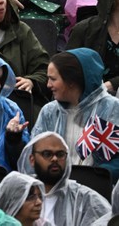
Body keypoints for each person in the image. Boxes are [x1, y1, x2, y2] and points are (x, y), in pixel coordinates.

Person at [34, 50, 119, 178]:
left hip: (97, 190)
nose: (48, 85)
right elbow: (34, 153)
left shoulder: (112, 109)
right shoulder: (49, 112)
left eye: (53, 79)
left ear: (71, 81)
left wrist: (96, 177)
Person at [17, 131, 111, 224]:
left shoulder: (86, 199)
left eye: (60, 154)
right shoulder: (18, 195)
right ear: (32, 160)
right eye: (47, 154)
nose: (54, 159)